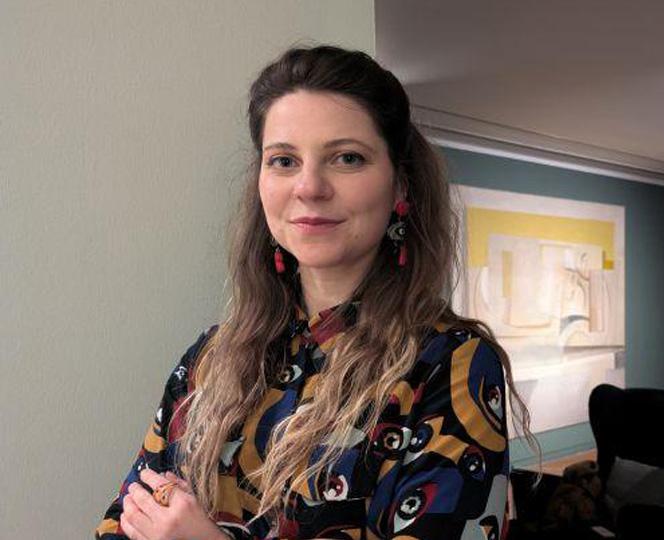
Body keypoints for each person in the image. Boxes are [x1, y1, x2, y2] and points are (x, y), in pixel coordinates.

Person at [95, 45, 536, 540]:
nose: (309, 186)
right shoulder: (208, 359)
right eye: (283, 160)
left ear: (400, 187)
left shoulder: (446, 364)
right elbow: (124, 520)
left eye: (347, 158)